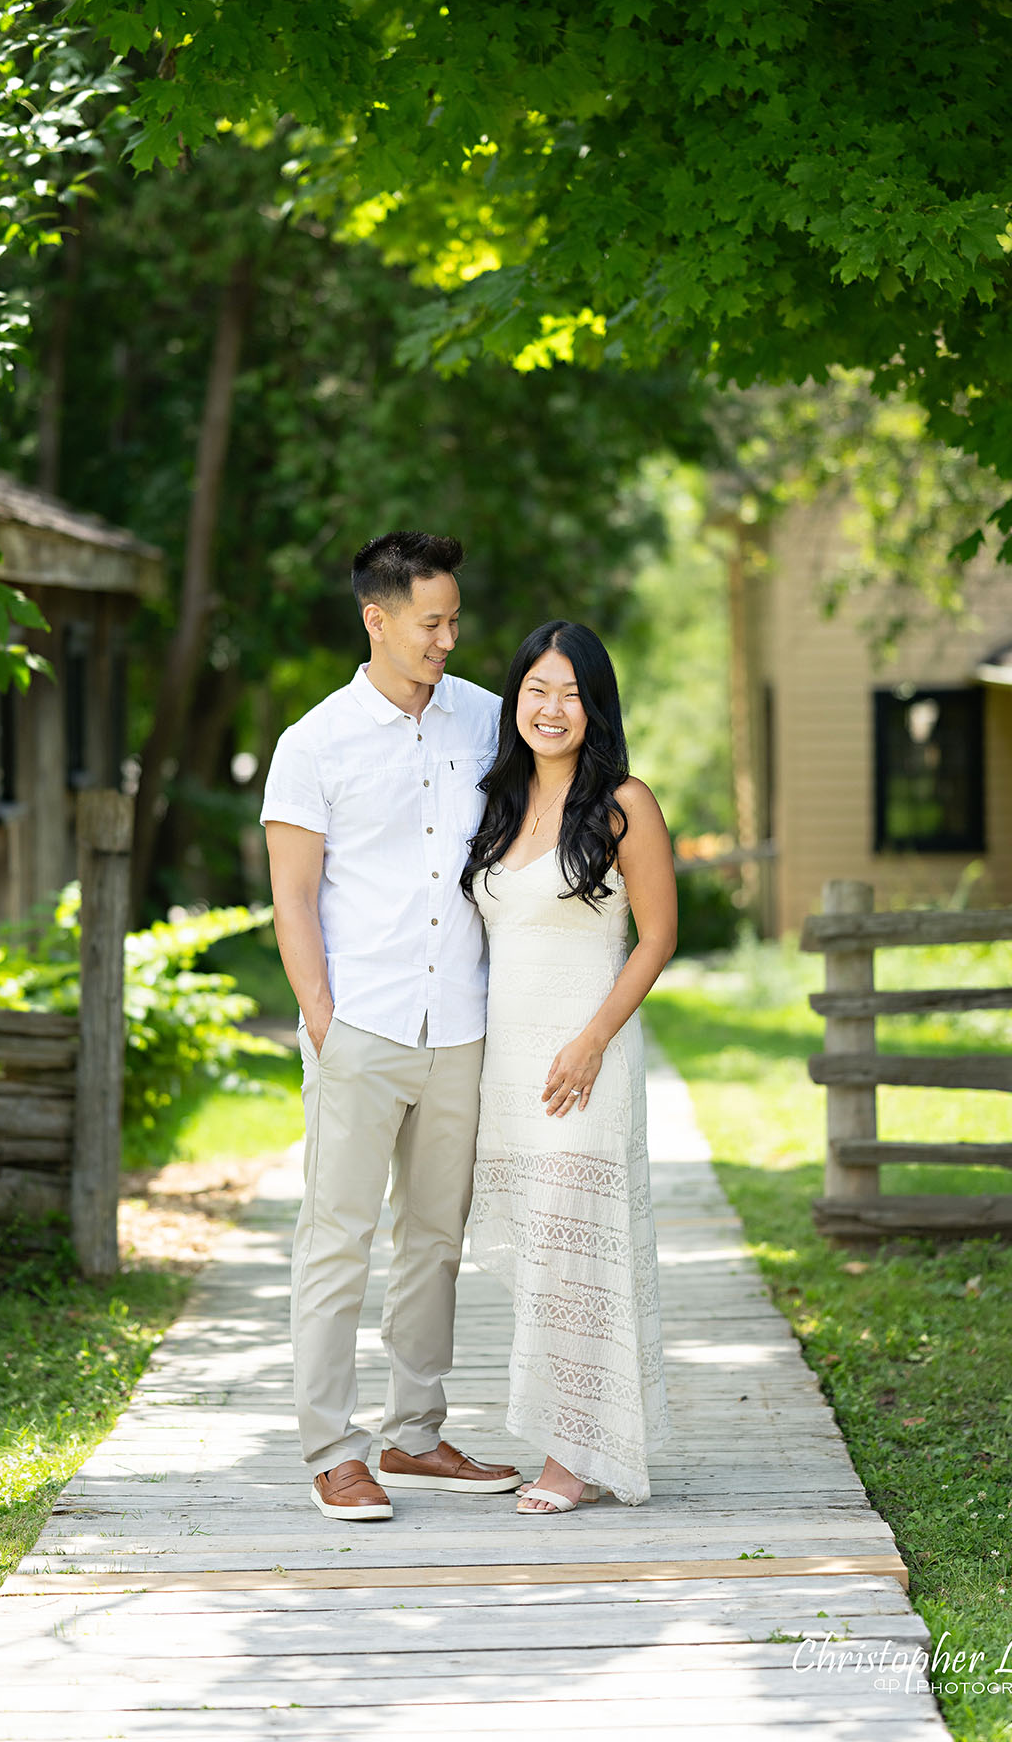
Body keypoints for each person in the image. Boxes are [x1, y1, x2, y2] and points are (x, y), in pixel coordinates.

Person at [261, 531, 523, 1521]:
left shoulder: (488, 723)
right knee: (335, 1239)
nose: (448, 639)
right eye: (430, 623)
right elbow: (292, 899)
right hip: (360, 1022)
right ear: (376, 621)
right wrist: (323, 1019)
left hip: (459, 1022)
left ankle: (412, 1436)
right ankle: (331, 1451)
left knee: (434, 1238)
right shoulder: (311, 743)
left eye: (454, 620)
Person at [461, 619, 675, 1512]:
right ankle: (576, 1437)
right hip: (508, 1065)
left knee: (575, 1259)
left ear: (597, 705)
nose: (552, 709)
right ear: (517, 700)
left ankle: (572, 1456)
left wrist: (591, 1039)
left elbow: (658, 937)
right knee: (544, 1256)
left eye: (571, 693)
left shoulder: (625, 803)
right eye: (537, 690)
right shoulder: (498, 804)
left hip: (586, 1059)